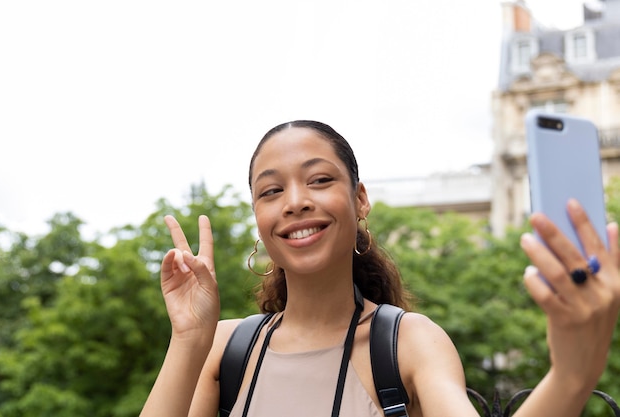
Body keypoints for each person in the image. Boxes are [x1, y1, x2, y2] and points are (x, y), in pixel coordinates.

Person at [140, 120, 620, 417]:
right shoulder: (223, 348)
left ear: (360, 199)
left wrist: (574, 375)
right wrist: (188, 338)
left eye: (320, 180)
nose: (295, 202)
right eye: (271, 191)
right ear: (259, 219)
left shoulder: (410, 342)